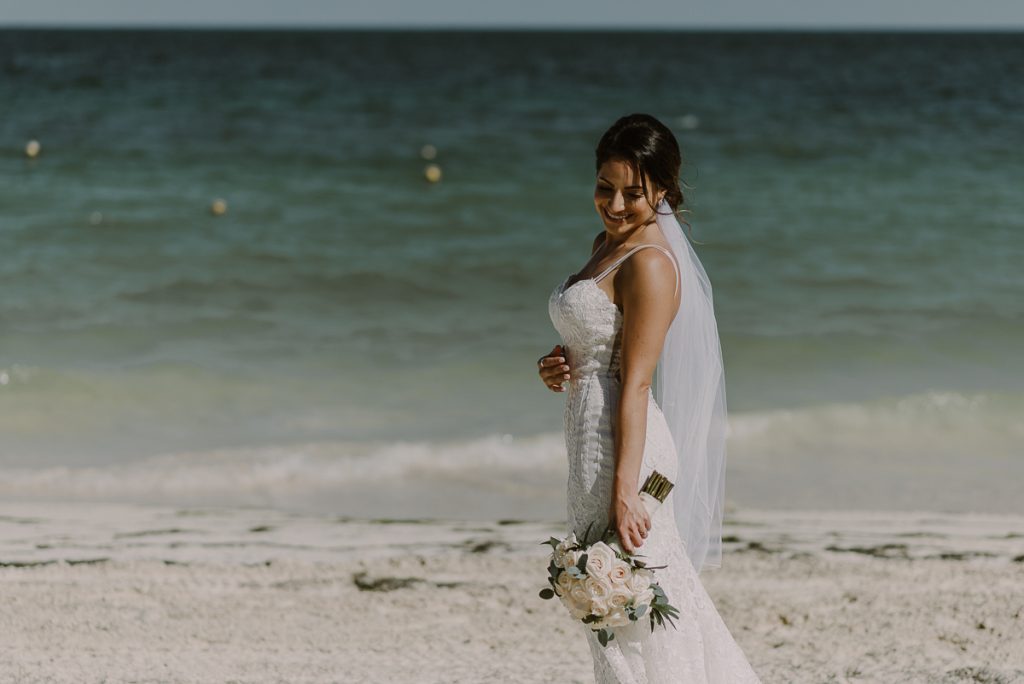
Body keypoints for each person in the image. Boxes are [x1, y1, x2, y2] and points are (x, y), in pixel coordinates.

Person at [538, 113, 762, 682]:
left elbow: (636, 382)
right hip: (593, 437)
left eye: (632, 194)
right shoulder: (607, 244)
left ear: (663, 191)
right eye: (604, 188)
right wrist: (560, 362)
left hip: (625, 448)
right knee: (616, 600)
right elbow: (600, 345)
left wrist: (625, 491)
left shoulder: (651, 264)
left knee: (626, 597)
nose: (614, 205)